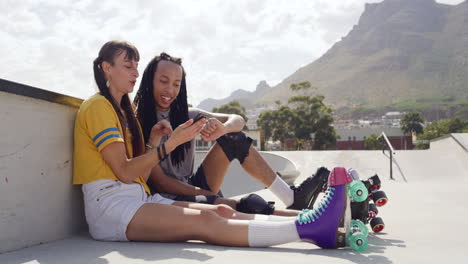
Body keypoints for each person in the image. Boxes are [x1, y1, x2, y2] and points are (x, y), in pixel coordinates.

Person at [72, 40, 365, 250]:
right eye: (128, 66)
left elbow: (137, 174)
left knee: (219, 212)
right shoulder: (99, 106)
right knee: (208, 222)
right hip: (112, 205)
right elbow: (124, 172)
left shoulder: (123, 113)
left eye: (136, 66)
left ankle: (313, 219)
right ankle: (309, 228)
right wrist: (170, 144)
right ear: (106, 68)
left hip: (134, 197)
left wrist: (153, 143)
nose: (135, 73)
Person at [133, 52, 330, 216]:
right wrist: (208, 194)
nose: (170, 89)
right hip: (165, 198)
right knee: (244, 206)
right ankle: (308, 218)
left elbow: (238, 119)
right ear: (150, 80)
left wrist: (224, 128)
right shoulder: (138, 122)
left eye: (176, 84)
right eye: (164, 81)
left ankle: (291, 198)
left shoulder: (187, 116)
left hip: (193, 185)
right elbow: (160, 181)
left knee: (235, 138)